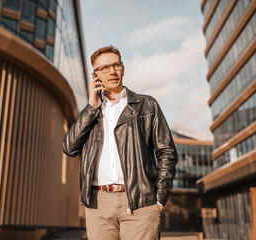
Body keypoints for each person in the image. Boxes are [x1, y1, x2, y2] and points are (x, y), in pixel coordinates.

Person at [62, 45, 177, 240]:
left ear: (123, 68)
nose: (112, 71)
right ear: (95, 75)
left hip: (141, 202)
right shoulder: (92, 111)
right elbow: (70, 148)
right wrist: (91, 107)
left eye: (116, 65)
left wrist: (159, 198)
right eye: (104, 68)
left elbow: (167, 152)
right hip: (98, 204)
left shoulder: (147, 105)